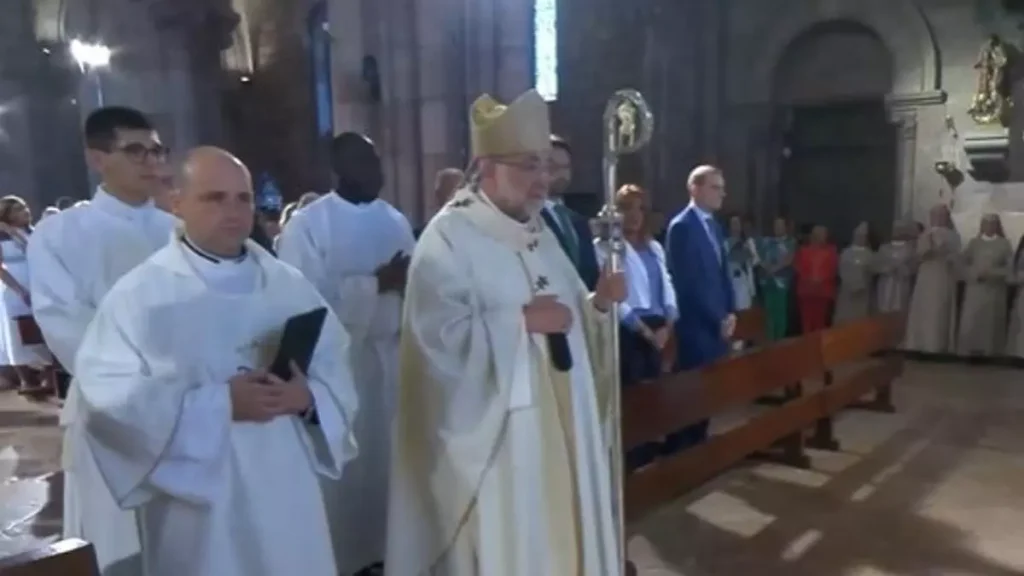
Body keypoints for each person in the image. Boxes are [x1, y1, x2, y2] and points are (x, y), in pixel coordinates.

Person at [73, 147, 358, 576]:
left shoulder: (288, 285)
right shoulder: (141, 296)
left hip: (287, 490)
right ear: (177, 203)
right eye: (214, 197)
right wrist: (219, 405)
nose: (233, 211)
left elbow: (335, 366)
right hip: (202, 506)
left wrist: (308, 398)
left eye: (242, 198)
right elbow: (108, 405)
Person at [387, 89, 626, 575]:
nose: (542, 180)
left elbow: (567, 318)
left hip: (565, 431)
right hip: (503, 448)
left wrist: (597, 305)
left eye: (544, 165)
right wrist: (517, 324)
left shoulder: (540, 234)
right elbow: (436, 348)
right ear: (487, 166)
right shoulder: (448, 239)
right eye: (528, 166)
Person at [27, 106, 177, 575]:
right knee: (119, 544)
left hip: (192, 411)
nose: (151, 161)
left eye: (156, 150)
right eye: (135, 150)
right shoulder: (61, 232)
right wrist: (142, 373)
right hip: (111, 409)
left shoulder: (181, 229)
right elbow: (63, 321)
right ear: (97, 158)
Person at [277, 132, 415, 576]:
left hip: (391, 362)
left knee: (390, 468)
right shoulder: (308, 225)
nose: (376, 169)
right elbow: (302, 305)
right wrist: (377, 283)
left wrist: (412, 285)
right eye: (363, 160)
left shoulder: (395, 220)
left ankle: (390, 555)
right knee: (347, 474)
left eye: (377, 159)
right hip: (338, 370)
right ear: (339, 167)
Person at [665, 165, 735, 451]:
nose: (722, 194)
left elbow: (723, 273)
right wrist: (716, 318)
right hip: (695, 326)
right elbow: (687, 283)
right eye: (715, 187)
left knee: (709, 393)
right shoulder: (682, 226)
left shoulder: (715, 226)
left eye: (722, 188)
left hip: (718, 323)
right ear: (695, 188)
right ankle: (682, 450)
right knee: (691, 393)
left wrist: (730, 312)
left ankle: (699, 447)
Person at [0, 196, 51, 396]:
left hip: (36, 282)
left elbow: (36, 251)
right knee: (17, 331)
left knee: (41, 329)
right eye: (19, 210)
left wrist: (16, 234)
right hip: (13, 286)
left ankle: (47, 373)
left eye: (25, 208)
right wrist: (19, 289)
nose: (26, 212)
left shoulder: (32, 232)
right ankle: (25, 378)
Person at [541, 134, 600, 290]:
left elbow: (590, 275)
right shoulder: (529, 218)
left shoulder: (578, 221)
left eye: (565, 167)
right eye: (553, 166)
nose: (561, 173)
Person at [904, 204, 961, 354]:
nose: (936, 218)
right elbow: (918, 255)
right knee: (924, 307)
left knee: (939, 309)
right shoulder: (925, 234)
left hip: (943, 275)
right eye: (934, 215)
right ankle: (919, 343)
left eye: (940, 215)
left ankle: (936, 345)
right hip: (926, 276)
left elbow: (957, 257)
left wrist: (945, 253)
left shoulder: (953, 236)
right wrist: (926, 251)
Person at [956, 213, 1012, 357]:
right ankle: (970, 350)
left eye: (992, 224)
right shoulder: (974, 243)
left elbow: (1010, 267)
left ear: (997, 226)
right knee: (972, 320)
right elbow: (963, 263)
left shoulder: (1004, 244)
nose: (989, 227)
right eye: (986, 224)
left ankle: (991, 352)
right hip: (975, 288)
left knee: (991, 322)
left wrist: (993, 273)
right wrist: (974, 273)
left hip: (994, 289)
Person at [794, 224, 838, 333]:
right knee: (807, 322)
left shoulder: (831, 251)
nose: (822, 237)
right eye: (819, 234)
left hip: (822, 293)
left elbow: (833, 269)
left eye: (824, 234)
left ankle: (818, 347)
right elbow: (798, 267)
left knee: (820, 323)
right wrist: (810, 280)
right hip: (807, 292)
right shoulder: (803, 251)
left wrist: (820, 280)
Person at [757, 217, 796, 340]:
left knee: (780, 313)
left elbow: (789, 259)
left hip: (781, 283)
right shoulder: (766, 241)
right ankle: (769, 340)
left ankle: (779, 340)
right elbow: (759, 257)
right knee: (768, 313)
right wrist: (766, 267)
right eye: (776, 225)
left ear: (785, 227)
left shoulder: (790, 242)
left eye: (780, 225)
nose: (778, 228)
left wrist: (775, 268)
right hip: (767, 282)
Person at [833, 221, 874, 324]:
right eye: (858, 235)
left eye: (863, 236)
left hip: (862, 293)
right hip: (847, 291)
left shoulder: (870, 254)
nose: (860, 238)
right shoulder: (845, 252)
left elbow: (872, 271)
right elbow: (840, 269)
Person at [873, 221, 917, 315]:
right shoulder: (884, 248)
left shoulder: (911, 248)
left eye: (900, 230)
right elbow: (876, 265)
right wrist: (887, 268)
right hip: (886, 283)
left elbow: (913, 266)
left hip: (902, 284)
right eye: (896, 229)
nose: (898, 232)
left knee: (900, 310)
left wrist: (902, 269)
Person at [724, 214, 759, 311]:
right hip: (731, 285)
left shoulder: (748, 243)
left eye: (737, 223)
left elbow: (755, 261)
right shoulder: (725, 244)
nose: (736, 226)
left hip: (746, 285)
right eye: (733, 224)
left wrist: (747, 253)